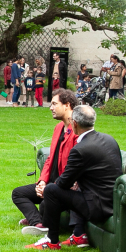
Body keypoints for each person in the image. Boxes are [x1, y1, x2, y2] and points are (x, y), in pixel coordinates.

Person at [28, 105, 122, 250]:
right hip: (112, 202)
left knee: (52, 190)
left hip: (97, 207)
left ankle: (51, 241)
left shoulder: (80, 149)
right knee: (73, 187)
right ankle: (78, 234)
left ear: (75, 123)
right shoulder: (109, 139)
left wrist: (47, 187)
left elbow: (64, 183)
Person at [13, 89, 78, 235]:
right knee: (18, 193)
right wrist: (42, 181)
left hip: (64, 186)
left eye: (54, 104)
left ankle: (40, 221)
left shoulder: (76, 130)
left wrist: (52, 187)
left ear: (67, 105)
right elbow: (50, 158)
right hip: (52, 183)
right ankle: (37, 223)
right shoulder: (58, 127)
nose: (51, 108)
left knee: (44, 204)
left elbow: (74, 167)